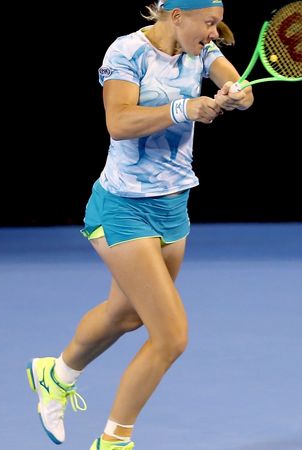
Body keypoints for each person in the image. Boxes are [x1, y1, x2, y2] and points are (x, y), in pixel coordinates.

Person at [26, 0, 253, 448]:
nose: (214, 32)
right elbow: (118, 121)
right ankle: (114, 441)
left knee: (125, 314)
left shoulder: (202, 51)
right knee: (171, 337)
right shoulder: (126, 52)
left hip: (173, 207)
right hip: (123, 207)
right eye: (209, 22)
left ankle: (55, 374)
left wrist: (237, 94)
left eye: (217, 23)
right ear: (177, 16)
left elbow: (239, 88)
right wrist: (183, 109)